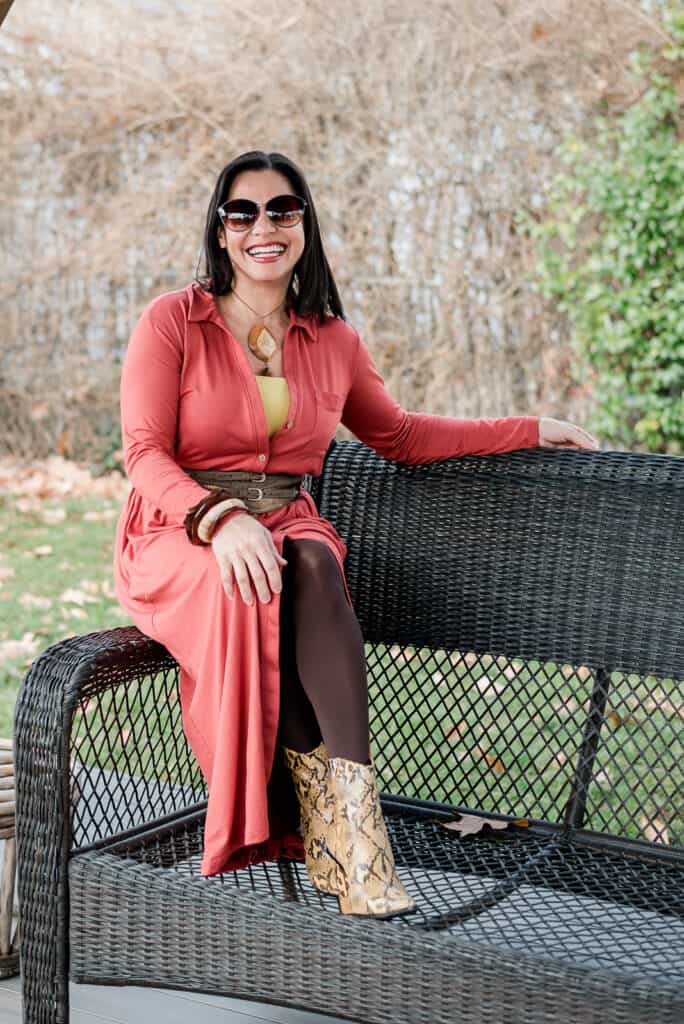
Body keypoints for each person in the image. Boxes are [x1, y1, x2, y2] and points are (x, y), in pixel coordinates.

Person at [113, 149, 600, 920]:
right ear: (221, 229)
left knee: (308, 555)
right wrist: (219, 517)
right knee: (249, 576)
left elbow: (400, 434)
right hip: (181, 528)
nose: (263, 227)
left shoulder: (331, 338)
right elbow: (143, 454)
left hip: (283, 521)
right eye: (243, 212)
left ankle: (357, 836)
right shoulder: (174, 320)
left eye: (282, 209)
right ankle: (321, 836)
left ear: (304, 222)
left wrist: (529, 427)